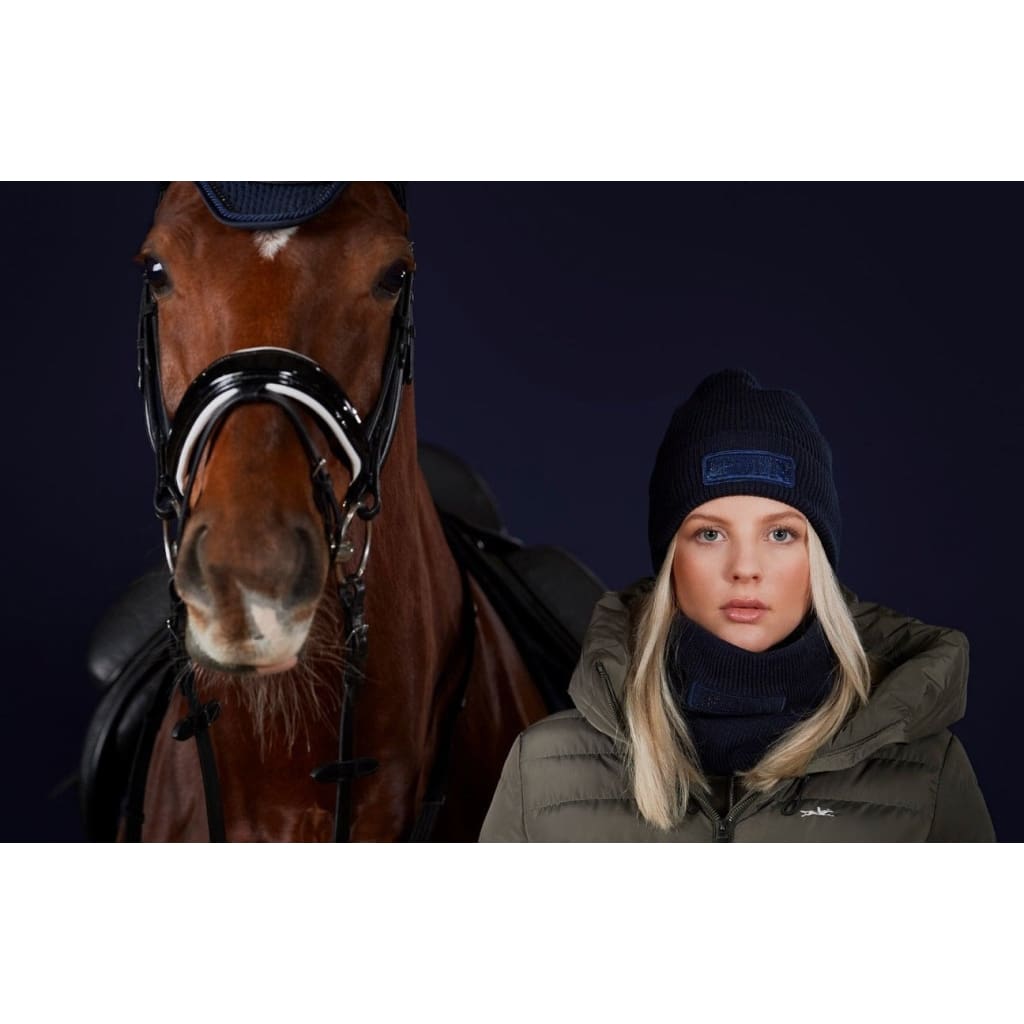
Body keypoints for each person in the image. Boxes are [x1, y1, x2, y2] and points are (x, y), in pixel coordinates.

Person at [479, 369, 995, 842]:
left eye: (780, 533)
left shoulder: (928, 775)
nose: (745, 567)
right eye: (709, 533)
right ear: (672, 560)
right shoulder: (542, 770)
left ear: (817, 558)